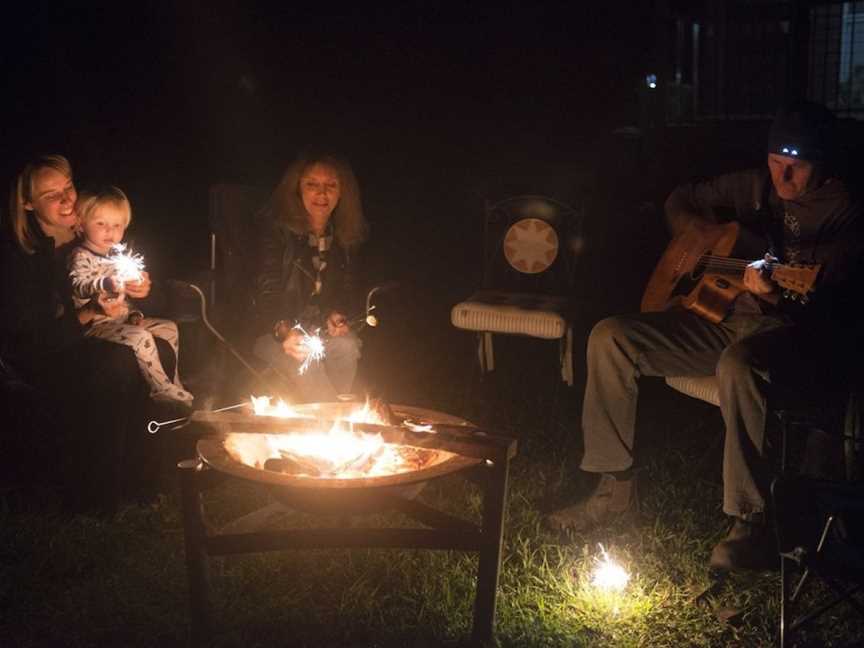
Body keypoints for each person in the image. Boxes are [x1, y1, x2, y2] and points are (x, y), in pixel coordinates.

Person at [545, 101, 864, 572]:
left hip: (790, 333)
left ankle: (749, 522)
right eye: (777, 163)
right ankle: (614, 490)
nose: (785, 178)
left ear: (823, 163)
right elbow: (680, 198)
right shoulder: (757, 186)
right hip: (724, 320)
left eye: (797, 167)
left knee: (739, 364)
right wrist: (696, 235)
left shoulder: (847, 213)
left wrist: (777, 291)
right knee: (611, 337)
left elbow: (832, 303)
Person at [0, 154, 164, 512]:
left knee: (157, 344)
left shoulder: (91, 229)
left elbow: (121, 271)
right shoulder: (22, 256)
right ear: (27, 204)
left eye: (68, 187)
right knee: (117, 363)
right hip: (43, 353)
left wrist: (138, 291)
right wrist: (90, 312)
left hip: (91, 335)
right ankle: (97, 492)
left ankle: (145, 475)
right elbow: (31, 336)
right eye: (50, 195)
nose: (66, 199)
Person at [252, 152, 368, 402]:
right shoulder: (276, 233)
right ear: (297, 189)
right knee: (309, 362)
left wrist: (336, 314)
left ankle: (331, 424)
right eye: (312, 185)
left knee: (347, 347)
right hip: (271, 331)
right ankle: (334, 426)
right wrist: (285, 331)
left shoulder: (344, 236)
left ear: (342, 192)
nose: (322, 194)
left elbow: (347, 291)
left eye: (331, 186)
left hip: (317, 330)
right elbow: (265, 292)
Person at [68, 187, 193, 406]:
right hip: (98, 324)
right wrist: (104, 283)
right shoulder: (81, 255)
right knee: (141, 338)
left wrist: (136, 306)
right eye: (101, 224)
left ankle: (173, 381)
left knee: (169, 327)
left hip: (123, 320)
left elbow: (125, 296)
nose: (110, 231)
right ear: (81, 224)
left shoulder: (116, 257)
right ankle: (160, 388)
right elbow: (79, 285)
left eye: (117, 225)